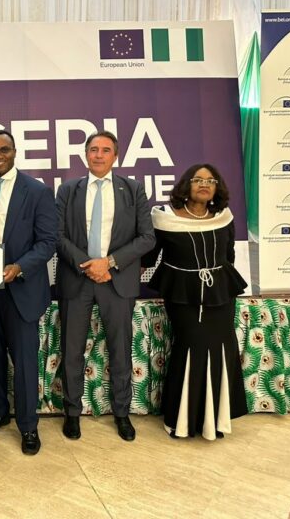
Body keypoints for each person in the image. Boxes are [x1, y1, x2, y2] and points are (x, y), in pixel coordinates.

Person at [55, 130, 155, 442]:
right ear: (86, 155)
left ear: (116, 156)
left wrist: (109, 263)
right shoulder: (68, 189)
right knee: (72, 352)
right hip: (77, 280)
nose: (99, 155)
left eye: (105, 150)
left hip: (117, 280)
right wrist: (88, 263)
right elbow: (57, 235)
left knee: (120, 351)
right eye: (93, 150)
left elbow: (147, 237)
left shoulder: (132, 189)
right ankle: (72, 412)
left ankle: (122, 413)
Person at [0, 129, 57, 455]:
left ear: (14, 151)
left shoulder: (37, 191)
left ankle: (28, 427)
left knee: (25, 363)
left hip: (21, 290)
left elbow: (47, 242)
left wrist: (19, 266)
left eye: (3, 150)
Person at [142, 164, 248, 440]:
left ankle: (214, 421)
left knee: (221, 349)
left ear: (217, 188)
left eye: (211, 180)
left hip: (221, 296)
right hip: (183, 297)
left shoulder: (223, 217)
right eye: (198, 180)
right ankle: (181, 420)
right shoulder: (164, 218)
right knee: (191, 348)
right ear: (185, 186)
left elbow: (229, 255)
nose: (205, 184)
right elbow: (149, 259)